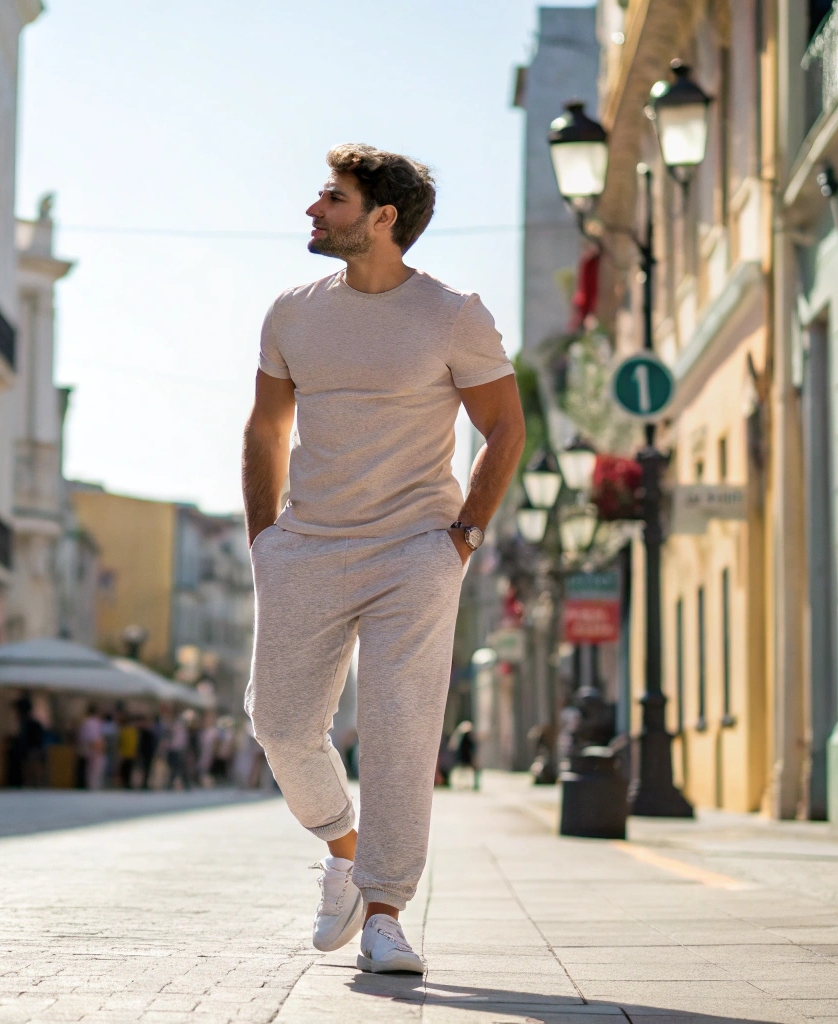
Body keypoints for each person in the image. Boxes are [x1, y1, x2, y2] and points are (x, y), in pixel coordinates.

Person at [242, 144, 524, 975]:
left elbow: (504, 427)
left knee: (401, 730)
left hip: (414, 550)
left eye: (331, 197)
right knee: (281, 724)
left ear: (382, 217)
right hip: (309, 546)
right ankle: (343, 848)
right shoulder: (292, 312)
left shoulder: (451, 313)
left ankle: (387, 915)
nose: (313, 210)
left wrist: (462, 538)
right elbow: (266, 429)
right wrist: (266, 539)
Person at [77, 709, 106, 790]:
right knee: (93, 777)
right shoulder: (92, 723)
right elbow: (94, 740)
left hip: (89, 751)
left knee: (91, 776)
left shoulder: (87, 722)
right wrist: (98, 751)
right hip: (92, 752)